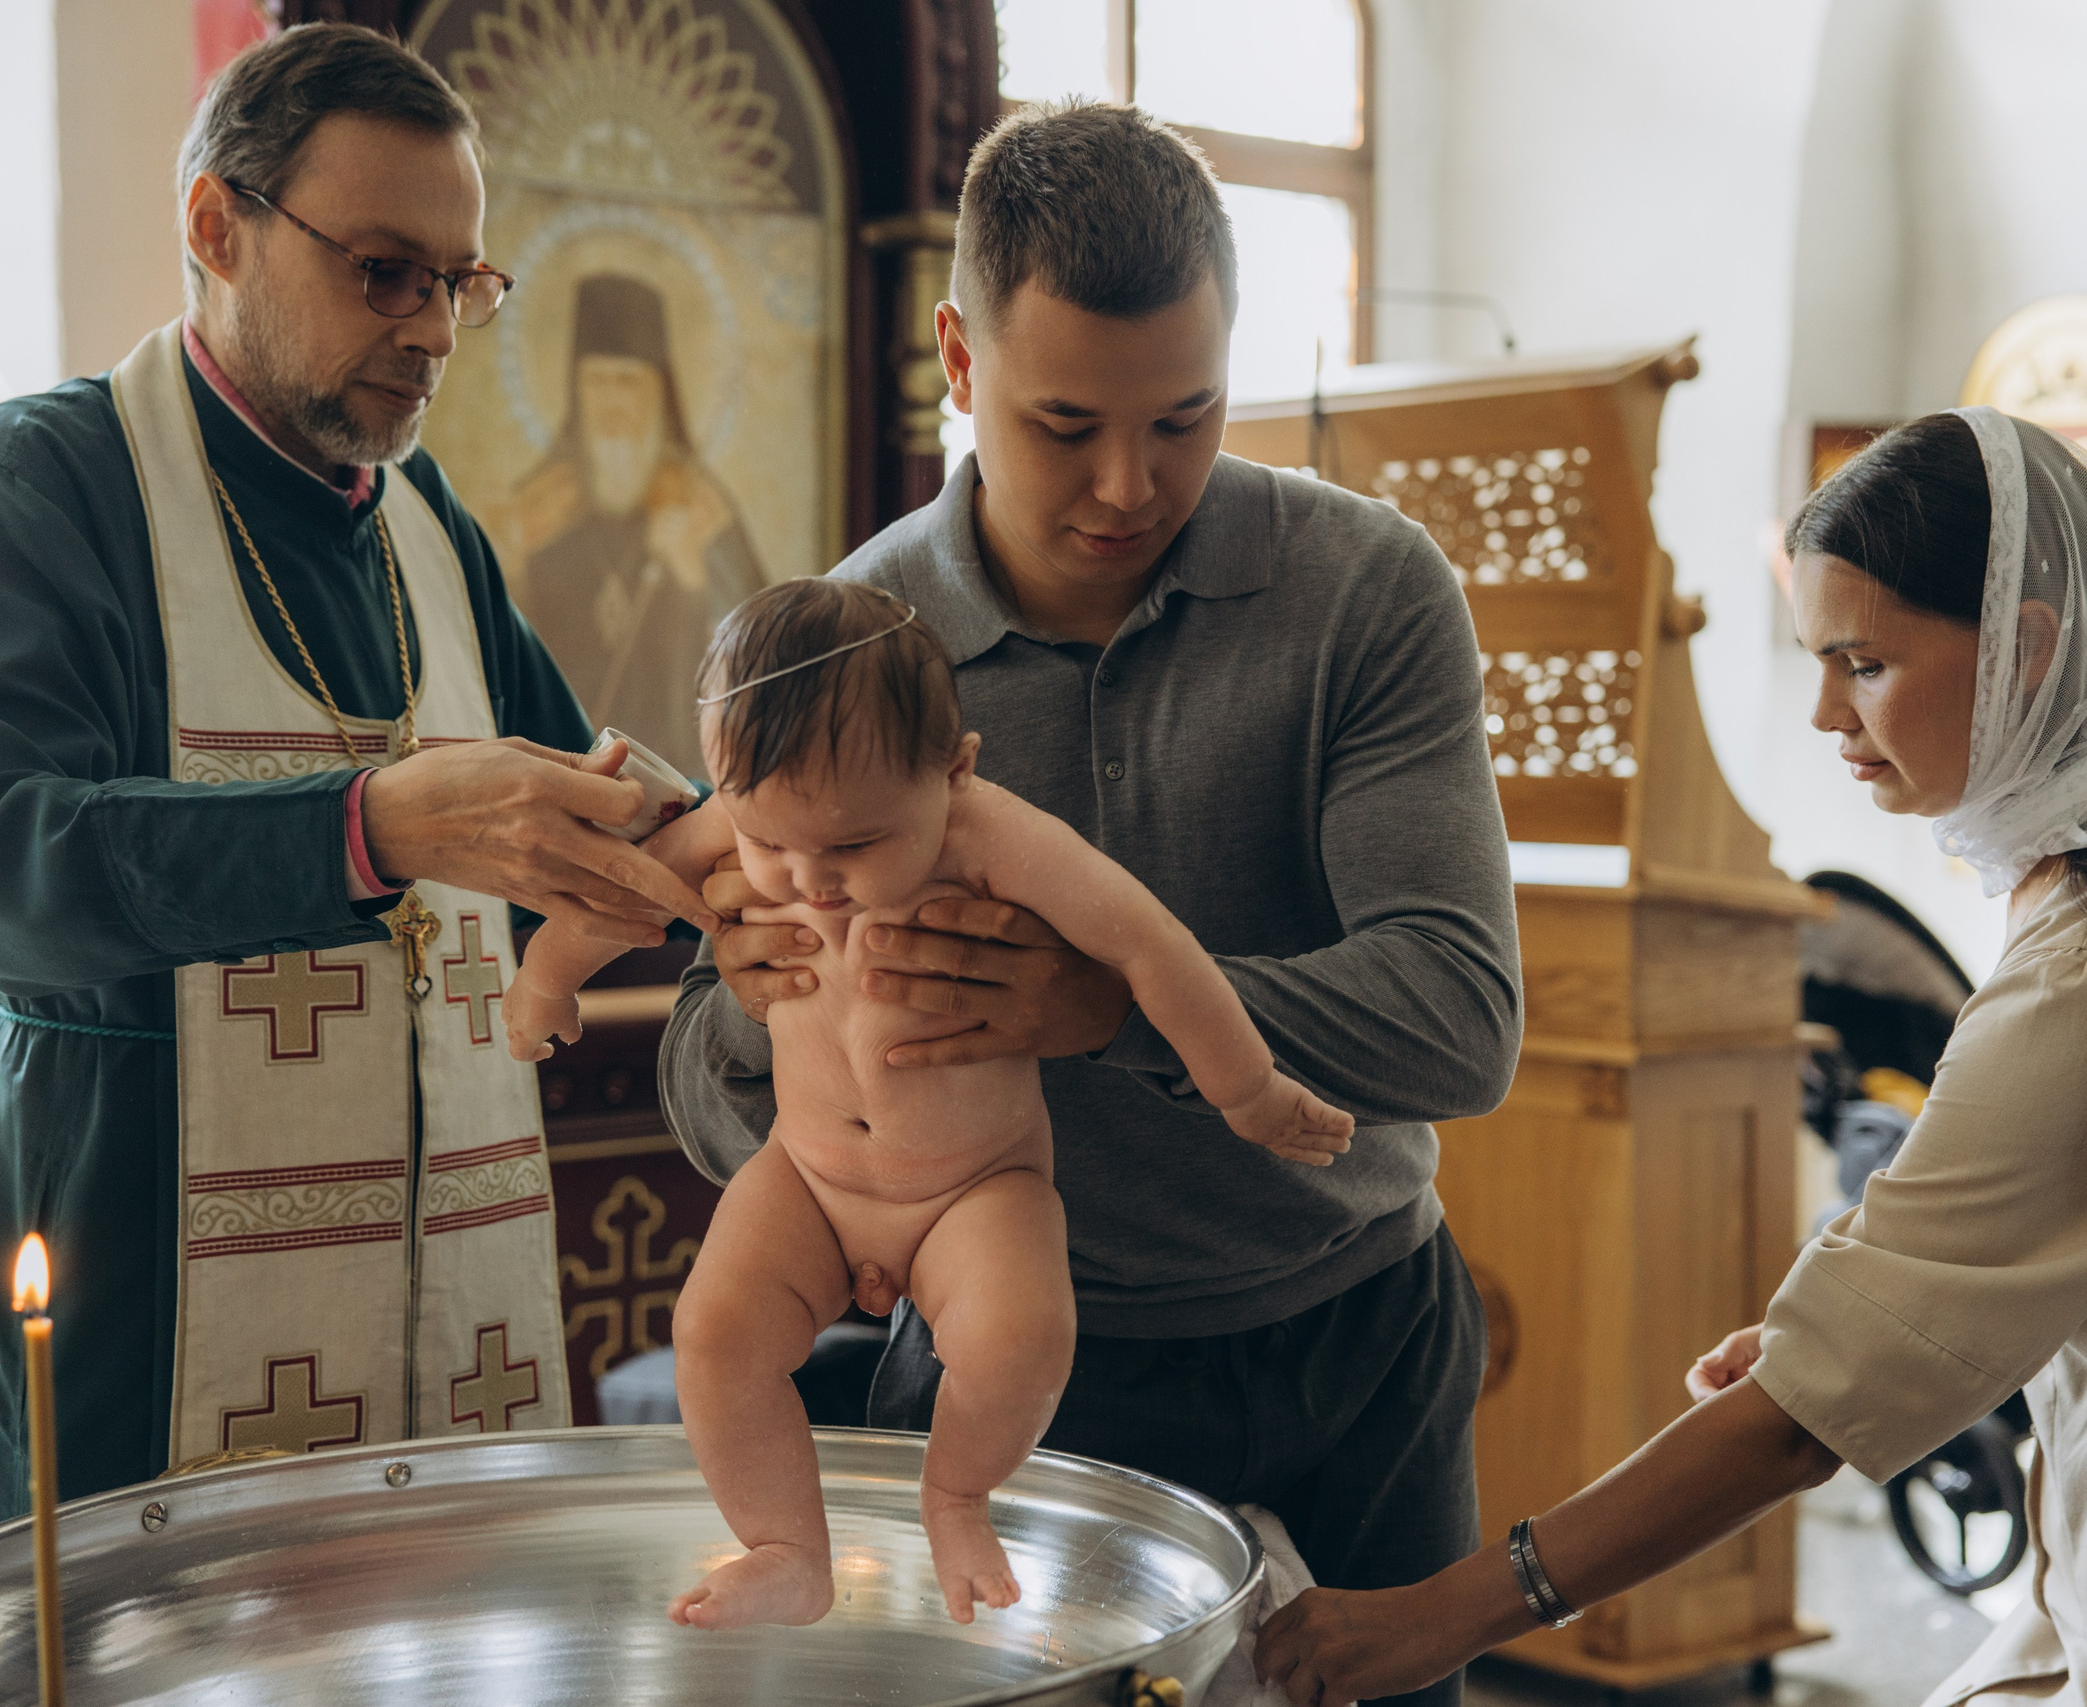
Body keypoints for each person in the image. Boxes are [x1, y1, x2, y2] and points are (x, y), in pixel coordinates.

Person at [1254, 409, 2087, 1707]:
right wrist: (1845, 1331)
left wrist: (1441, 1616)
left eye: (1863, 664)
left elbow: (1792, 1433)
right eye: (1818, 661)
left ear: (2028, 648)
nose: (1825, 710)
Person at [657, 101, 1519, 1707]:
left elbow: (1462, 1023)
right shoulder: (851, 648)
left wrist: (1109, 1008)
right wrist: (764, 999)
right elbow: (706, 1092)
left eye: (1186, 417)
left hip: (1359, 1337)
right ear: (958, 358)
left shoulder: (1366, 588)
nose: (1131, 484)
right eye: (1065, 424)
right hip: (1027, 1357)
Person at [0, 23, 717, 1542]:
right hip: (148, 1324)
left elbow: (586, 812)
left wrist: (756, 856)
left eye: (460, 283)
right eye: (386, 273)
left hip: (448, 1330)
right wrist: (367, 828)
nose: (435, 331)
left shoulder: (426, 527)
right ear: (217, 226)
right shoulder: (59, 479)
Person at [510, 578, 1352, 1626]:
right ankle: (786, 1549)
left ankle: (956, 1494)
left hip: (975, 1187)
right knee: (715, 1334)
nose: (807, 881)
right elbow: (624, 890)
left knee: (1017, 1339)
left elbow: (1149, 945)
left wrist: (1249, 1089)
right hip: (809, 1175)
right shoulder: (750, 817)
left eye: (854, 847)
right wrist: (546, 979)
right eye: (769, 843)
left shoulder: (987, 836)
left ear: (953, 769)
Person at [510, 272, 767, 777]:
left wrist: (691, 577)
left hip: (683, 779)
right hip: (554, 775)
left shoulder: (701, 507)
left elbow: (761, 654)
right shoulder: (540, 507)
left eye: (627, 382)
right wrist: (513, 569)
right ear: (576, 393)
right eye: (596, 382)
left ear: (659, 394)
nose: (611, 402)